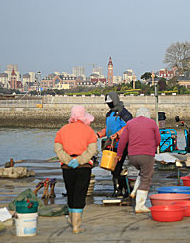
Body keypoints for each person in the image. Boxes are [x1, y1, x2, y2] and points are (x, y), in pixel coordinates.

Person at [54, 105, 98, 234]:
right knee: (80, 193)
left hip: (67, 167)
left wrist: (69, 160)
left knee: (71, 192)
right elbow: (92, 150)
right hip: (84, 167)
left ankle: (72, 220)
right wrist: (79, 160)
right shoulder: (89, 131)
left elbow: (58, 148)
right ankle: (76, 226)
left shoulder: (62, 130)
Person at [116, 107, 161, 213]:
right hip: (147, 155)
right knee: (146, 178)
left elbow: (123, 140)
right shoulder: (152, 123)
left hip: (132, 156)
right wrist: (153, 148)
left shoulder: (130, 123)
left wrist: (119, 154)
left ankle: (134, 191)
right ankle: (140, 205)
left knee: (142, 173)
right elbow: (158, 139)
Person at [96, 91, 133, 197]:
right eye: (108, 103)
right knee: (113, 169)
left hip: (121, 145)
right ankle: (126, 188)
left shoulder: (125, 114)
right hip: (110, 145)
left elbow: (128, 127)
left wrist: (117, 134)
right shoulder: (109, 114)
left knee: (116, 168)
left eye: (111, 103)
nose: (109, 105)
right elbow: (108, 129)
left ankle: (118, 189)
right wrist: (99, 135)